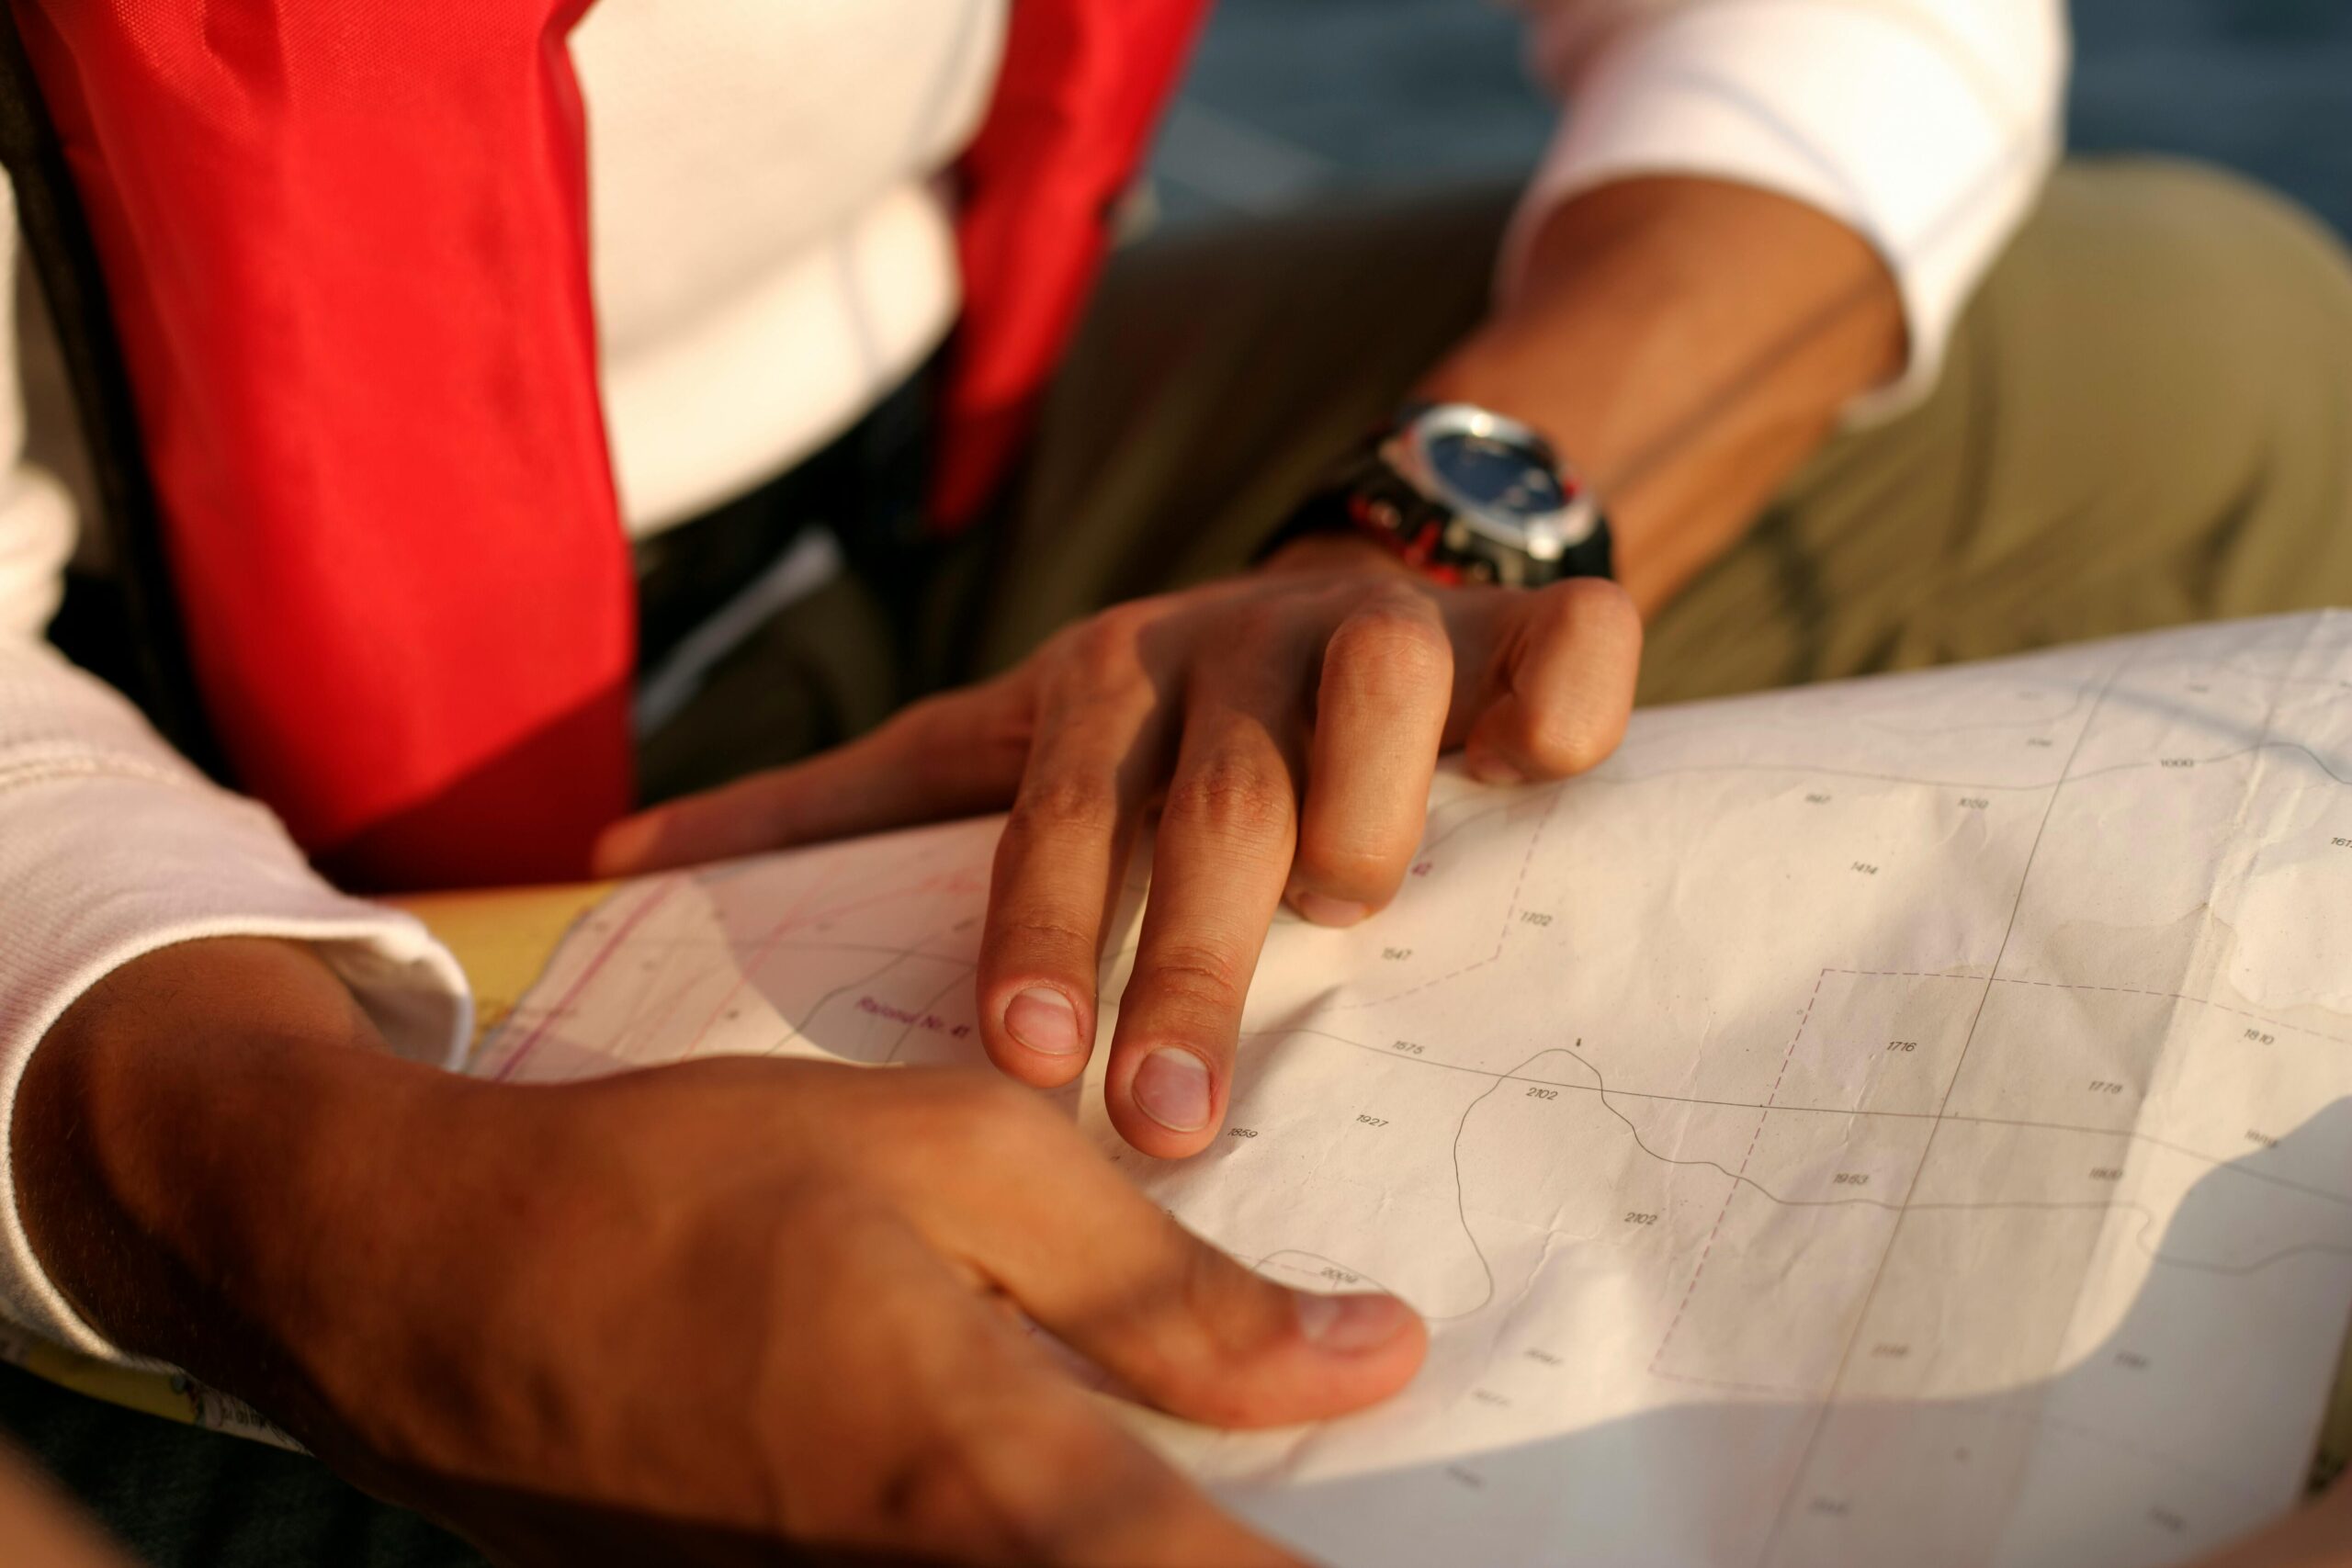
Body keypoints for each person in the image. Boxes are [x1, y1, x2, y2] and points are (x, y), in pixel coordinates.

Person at [0, 0, 2348, 1562]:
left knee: (2206, 362)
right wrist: (302, 1201)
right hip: (119, 720)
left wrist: (1406, 551)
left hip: (929, 471)